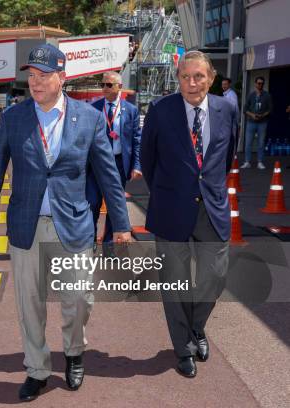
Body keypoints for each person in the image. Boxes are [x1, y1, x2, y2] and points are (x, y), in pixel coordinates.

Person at [0, 44, 131, 402]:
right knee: (29, 304)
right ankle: (37, 369)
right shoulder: (14, 118)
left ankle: (74, 352)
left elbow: (108, 175)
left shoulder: (88, 118)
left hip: (73, 224)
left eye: (44, 75)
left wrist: (120, 223)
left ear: (63, 77)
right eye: (32, 75)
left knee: (79, 298)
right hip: (27, 225)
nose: (36, 82)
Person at [141, 50, 237, 378]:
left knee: (215, 275)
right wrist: (171, 193)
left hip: (212, 209)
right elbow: (148, 160)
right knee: (175, 284)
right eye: (185, 76)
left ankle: (197, 327)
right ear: (178, 78)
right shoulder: (160, 110)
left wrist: (207, 190)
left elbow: (226, 158)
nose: (192, 83)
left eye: (199, 76)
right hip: (171, 209)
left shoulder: (227, 109)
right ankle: (183, 348)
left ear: (211, 79)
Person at [87, 71, 141, 257]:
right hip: (95, 164)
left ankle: (110, 246)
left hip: (118, 163)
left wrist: (137, 165)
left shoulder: (131, 110)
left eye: (109, 85)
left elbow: (136, 139)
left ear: (119, 87)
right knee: (92, 202)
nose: (104, 88)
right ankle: (90, 242)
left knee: (114, 206)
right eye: (103, 85)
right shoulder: (94, 108)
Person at [241, 76, 272, 169]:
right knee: (248, 142)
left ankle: (260, 162)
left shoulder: (267, 95)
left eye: (262, 83)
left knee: (261, 143)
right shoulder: (251, 95)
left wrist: (263, 115)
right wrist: (252, 115)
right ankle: (247, 161)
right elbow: (245, 109)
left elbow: (270, 109)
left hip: (262, 122)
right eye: (258, 83)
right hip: (251, 121)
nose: (260, 85)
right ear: (255, 84)